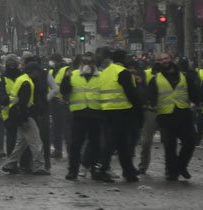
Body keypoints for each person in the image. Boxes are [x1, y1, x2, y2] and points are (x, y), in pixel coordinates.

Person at [147, 51, 201, 181]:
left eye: (166, 58)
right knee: (169, 146)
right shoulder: (155, 79)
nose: (164, 61)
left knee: (190, 141)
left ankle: (181, 166)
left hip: (183, 114)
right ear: (159, 62)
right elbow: (151, 96)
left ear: (172, 60)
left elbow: (194, 92)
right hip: (166, 115)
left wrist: (198, 102)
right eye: (161, 60)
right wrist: (151, 104)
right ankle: (172, 171)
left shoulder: (184, 76)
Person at [95, 49, 141, 183]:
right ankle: (102, 169)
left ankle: (129, 171)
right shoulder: (123, 72)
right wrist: (138, 109)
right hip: (122, 111)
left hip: (107, 110)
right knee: (113, 142)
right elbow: (131, 94)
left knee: (122, 143)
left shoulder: (105, 73)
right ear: (124, 59)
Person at [1, 62, 48, 175]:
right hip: (25, 116)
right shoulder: (27, 83)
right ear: (33, 71)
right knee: (36, 142)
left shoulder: (22, 79)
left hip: (16, 115)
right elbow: (23, 103)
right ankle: (38, 167)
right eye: (37, 71)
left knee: (21, 143)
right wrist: (24, 119)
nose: (39, 74)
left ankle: (9, 164)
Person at [60, 52, 102, 180]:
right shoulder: (73, 75)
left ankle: (94, 168)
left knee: (95, 144)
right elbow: (64, 91)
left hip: (96, 114)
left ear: (94, 63)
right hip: (79, 114)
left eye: (89, 62)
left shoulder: (101, 76)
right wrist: (66, 79)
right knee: (75, 144)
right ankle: (73, 170)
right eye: (84, 62)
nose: (87, 65)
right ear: (80, 63)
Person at [136, 56, 160, 174]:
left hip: (168, 111)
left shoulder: (177, 76)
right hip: (151, 111)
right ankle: (143, 165)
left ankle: (172, 168)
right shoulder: (146, 75)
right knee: (146, 141)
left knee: (170, 142)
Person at [49, 54, 71, 159]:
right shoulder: (50, 71)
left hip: (63, 102)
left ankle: (70, 151)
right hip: (53, 102)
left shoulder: (66, 70)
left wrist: (65, 99)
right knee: (56, 127)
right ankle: (57, 150)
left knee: (66, 127)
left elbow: (68, 85)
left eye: (52, 61)